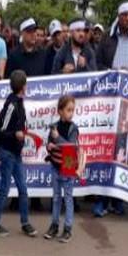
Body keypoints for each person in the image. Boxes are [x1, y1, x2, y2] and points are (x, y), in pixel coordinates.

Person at [0, 70, 38, 238]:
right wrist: (14, 134)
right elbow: (2, 129)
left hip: (15, 153)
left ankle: (25, 223)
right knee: (5, 188)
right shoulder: (12, 105)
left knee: (23, 188)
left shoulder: (18, 102)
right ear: (23, 87)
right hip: (8, 152)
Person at [44, 95, 81, 243]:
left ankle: (67, 229)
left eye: (72, 110)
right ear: (60, 111)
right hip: (55, 165)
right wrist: (49, 146)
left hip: (68, 163)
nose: (71, 113)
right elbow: (48, 143)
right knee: (56, 198)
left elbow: (70, 147)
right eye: (68, 110)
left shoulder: (73, 128)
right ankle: (54, 226)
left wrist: (57, 139)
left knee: (68, 198)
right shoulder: (54, 126)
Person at [96, 1, 128, 72]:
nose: (127, 18)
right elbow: (98, 62)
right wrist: (111, 72)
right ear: (118, 17)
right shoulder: (107, 37)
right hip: (110, 81)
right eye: (124, 15)